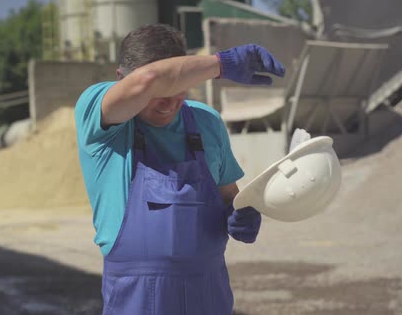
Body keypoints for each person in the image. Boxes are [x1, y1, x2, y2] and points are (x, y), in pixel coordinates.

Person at [74, 23, 285, 314]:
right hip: (137, 299)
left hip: (209, 294)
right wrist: (221, 64)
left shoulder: (206, 122)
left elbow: (229, 196)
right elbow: (148, 79)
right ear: (120, 79)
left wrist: (239, 212)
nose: (170, 103)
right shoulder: (99, 116)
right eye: (160, 92)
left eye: (179, 89)